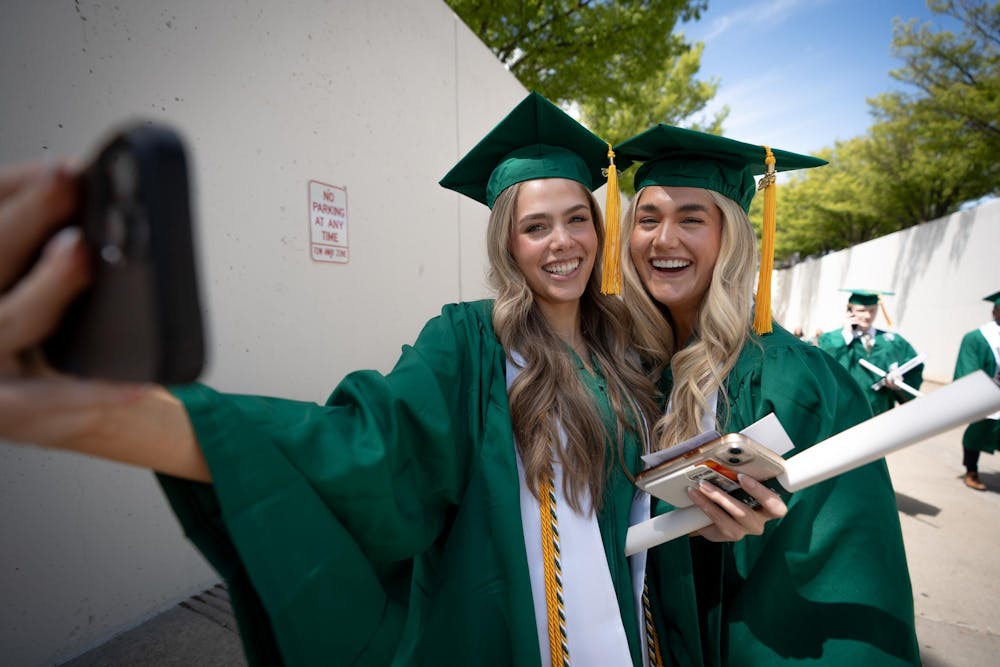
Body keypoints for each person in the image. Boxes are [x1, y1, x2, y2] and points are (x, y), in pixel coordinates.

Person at [0, 93, 787, 666]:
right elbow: (366, 445)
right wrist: (120, 416)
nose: (561, 243)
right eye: (534, 226)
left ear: (598, 223)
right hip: (513, 633)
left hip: (628, 636)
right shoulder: (469, 341)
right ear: (507, 244)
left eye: (577, 218)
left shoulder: (629, 350)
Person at [609, 124, 921, 666]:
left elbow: (838, 559)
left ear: (731, 237)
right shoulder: (614, 358)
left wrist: (750, 534)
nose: (664, 240)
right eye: (648, 218)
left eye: (691, 219)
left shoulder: (799, 384)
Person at [816, 289, 924, 415]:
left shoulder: (893, 342)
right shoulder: (831, 339)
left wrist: (899, 384)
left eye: (872, 310)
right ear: (849, 311)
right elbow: (824, 367)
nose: (868, 316)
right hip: (845, 413)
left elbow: (913, 368)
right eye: (861, 310)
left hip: (880, 413)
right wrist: (846, 335)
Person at [953, 290, 1000, 490]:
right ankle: (971, 470)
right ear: (995, 311)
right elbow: (968, 370)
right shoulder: (978, 338)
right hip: (989, 393)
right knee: (978, 431)